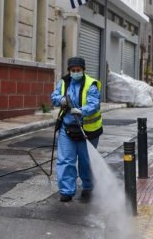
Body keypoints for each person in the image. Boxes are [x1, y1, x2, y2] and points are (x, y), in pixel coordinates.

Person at [51, 57, 103, 202]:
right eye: (73, 70)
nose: (75, 72)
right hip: (67, 128)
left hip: (88, 130)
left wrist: (81, 111)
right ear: (69, 71)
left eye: (78, 70)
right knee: (66, 160)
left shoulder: (90, 84)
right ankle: (66, 191)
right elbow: (54, 96)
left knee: (86, 161)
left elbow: (94, 103)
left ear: (83, 70)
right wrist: (61, 99)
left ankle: (88, 186)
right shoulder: (63, 82)